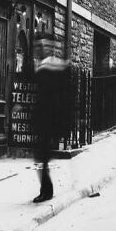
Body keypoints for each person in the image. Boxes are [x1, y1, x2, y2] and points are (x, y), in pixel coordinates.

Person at [32, 35, 70, 204]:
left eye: (42, 46)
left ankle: (46, 191)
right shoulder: (46, 66)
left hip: (49, 118)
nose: (39, 49)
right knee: (41, 156)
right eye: (37, 46)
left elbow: (59, 96)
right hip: (45, 118)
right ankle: (46, 189)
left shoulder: (50, 67)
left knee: (42, 156)